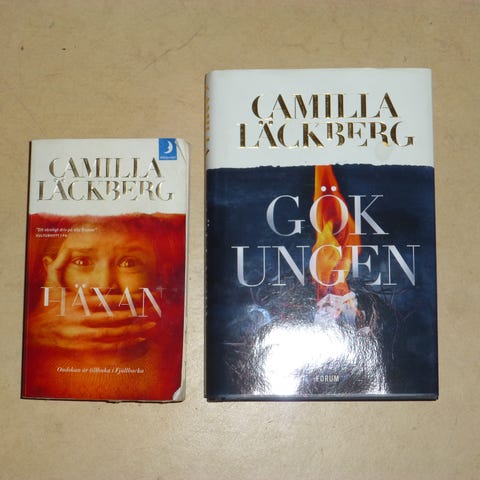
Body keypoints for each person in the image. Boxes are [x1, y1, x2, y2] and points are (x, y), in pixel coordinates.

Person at [23, 213, 186, 400]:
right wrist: (32, 334)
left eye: (129, 263)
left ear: (161, 275)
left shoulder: (174, 362)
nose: (104, 285)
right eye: (82, 261)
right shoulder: (31, 361)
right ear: (51, 272)